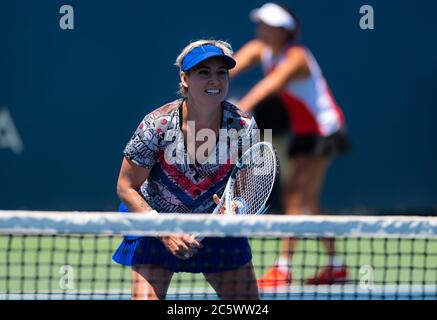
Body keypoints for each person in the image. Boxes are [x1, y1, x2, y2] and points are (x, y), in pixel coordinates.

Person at [112, 39, 260, 299]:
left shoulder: (243, 126)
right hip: (156, 220)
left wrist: (236, 207)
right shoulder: (156, 126)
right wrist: (164, 229)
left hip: (214, 227)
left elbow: (246, 190)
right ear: (185, 78)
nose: (215, 81)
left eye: (221, 73)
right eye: (204, 73)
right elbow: (126, 187)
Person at [230, 3, 352, 287]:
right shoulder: (262, 48)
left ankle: (283, 269)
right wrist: (207, 74)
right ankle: (336, 267)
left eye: (267, 25)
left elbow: (269, 86)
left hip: (323, 132)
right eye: (260, 23)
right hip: (305, 132)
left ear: (283, 31)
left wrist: (239, 110)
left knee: (296, 199)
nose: (261, 29)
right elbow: (234, 63)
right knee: (308, 201)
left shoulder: (296, 57)